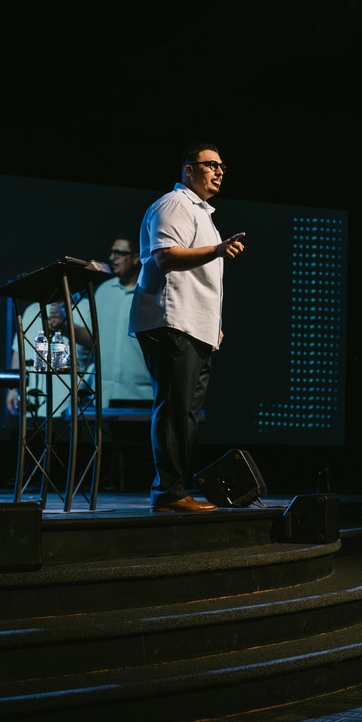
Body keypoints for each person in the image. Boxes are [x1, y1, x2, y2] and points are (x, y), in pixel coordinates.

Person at [129, 141, 245, 513]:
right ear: (188, 170)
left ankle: (175, 489)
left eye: (222, 166)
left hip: (195, 326)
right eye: (211, 164)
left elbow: (202, 281)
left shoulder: (203, 214)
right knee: (175, 408)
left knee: (187, 412)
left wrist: (213, 324)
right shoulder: (174, 204)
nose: (219, 171)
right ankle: (168, 492)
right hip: (171, 321)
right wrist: (218, 249)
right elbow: (165, 257)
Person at [77, 234, 153, 406]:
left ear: (136, 258)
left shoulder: (151, 293)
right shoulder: (103, 291)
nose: (112, 258)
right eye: (112, 252)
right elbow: (92, 338)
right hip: (104, 395)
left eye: (119, 253)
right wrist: (65, 326)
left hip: (141, 394)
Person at [6, 301, 89, 417]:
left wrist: (65, 325)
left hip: (69, 407)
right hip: (31, 406)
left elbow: (93, 341)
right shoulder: (32, 309)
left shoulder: (83, 306)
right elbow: (19, 351)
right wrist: (12, 389)